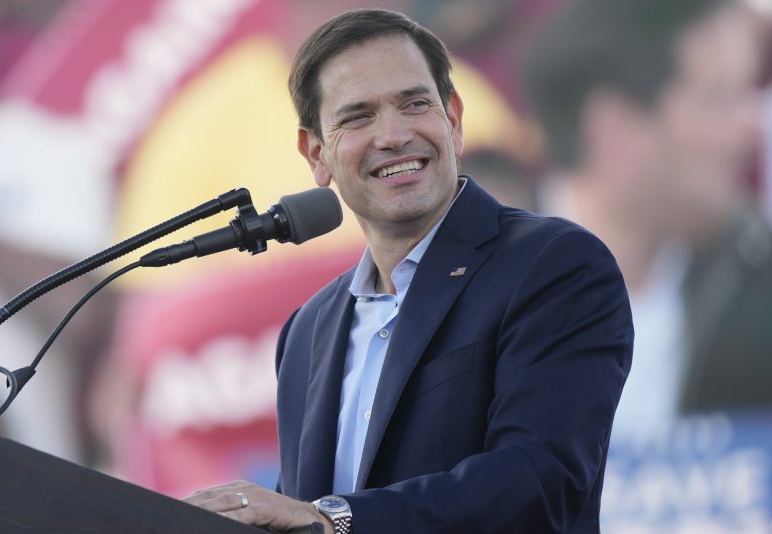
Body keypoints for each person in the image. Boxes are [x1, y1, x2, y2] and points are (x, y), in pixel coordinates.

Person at [184, 8, 633, 533]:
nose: (393, 135)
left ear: (455, 120)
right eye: (357, 116)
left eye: (415, 104)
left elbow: (539, 480)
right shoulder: (306, 332)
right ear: (316, 155)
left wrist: (337, 520)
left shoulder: (554, 265)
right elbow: (301, 520)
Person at [521, 0, 767, 442]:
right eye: (718, 99)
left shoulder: (756, 286)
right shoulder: (460, 297)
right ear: (614, 128)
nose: (749, 127)